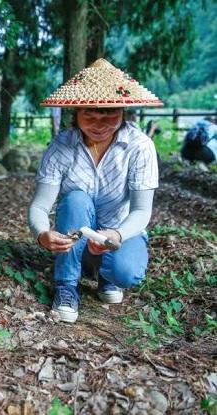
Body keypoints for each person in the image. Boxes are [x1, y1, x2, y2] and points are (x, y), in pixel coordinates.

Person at [28, 58, 162, 323]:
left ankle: (106, 275)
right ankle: (66, 286)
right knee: (76, 199)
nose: (100, 124)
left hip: (120, 231)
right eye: (90, 115)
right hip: (76, 232)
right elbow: (40, 206)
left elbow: (141, 210)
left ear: (124, 111)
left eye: (110, 115)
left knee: (127, 273)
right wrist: (42, 233)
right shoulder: (61, 146)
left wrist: (117, 234)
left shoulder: (140, 146)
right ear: (76, 113)